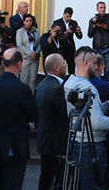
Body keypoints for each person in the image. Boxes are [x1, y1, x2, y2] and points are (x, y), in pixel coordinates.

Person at [63, 46, 109, 190]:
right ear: (85, 63)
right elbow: (96, 123)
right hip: (91, 146)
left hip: (76, 143)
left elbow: (87, 114)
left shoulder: (71, 84)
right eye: (94, 63)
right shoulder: (86, 88)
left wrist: (108, 105)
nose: (97, 66)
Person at [0, 47, 39, 190]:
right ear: (19, 64)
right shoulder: (22, 89)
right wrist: (29, 125)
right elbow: (34, 115)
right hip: (13, 148)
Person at [36, 53, 68, 190]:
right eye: (63, 62)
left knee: (46, 177)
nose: (66, 64)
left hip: (45, 139)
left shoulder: (42, 84)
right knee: (56, 180)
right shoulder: (57, 88)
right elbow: (64, 115)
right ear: (56, 67)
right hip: (56, 142)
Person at [87, 1, 109, 77]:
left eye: (104, 8)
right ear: (97, 9)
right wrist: (94, 26)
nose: (103, 9)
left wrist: (105, 27)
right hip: (97, 48)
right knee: (96, 68)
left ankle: (107, 85)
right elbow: (89, 35)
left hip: (108, 47)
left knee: (107, 69)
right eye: (101, 8)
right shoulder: (93, 20)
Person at [53, 7, 83, 76]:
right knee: (60, 66)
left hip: (70, 48)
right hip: (61, 47)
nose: (68, 18)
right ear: (64, 14)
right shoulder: (57, 22)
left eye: (70, 16)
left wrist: (79, 32)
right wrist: (66, 32)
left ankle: (71, 79)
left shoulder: (73, 23)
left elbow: (79, 37)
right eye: (67, 16)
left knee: (71, 67)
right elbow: (55, 35)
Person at [17, 13, 41, 92]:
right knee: (24, 79)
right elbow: (20, 45)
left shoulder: (36, 31)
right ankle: (23, 97)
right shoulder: (20, 31)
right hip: (26, 57)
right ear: (23, 22)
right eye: (27, 21)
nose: (29, 22)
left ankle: (31, 97)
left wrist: (36, 52)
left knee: (33, 79)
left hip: (35, 57)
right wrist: (30, 53)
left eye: (30, 21)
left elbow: (39, 43)